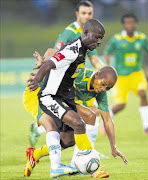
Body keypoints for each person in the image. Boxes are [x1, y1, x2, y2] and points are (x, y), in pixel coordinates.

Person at [25, 19, 128, 178]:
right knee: (79, 121)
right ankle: (72, 168)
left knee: (68, 141)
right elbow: (53, 60)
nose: (99, 41)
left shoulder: (83, 51)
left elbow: (108, 120)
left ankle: (36, 154)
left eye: (101, 38)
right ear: (86, 33)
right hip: (49, 95)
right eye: (97, 37)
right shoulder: (74, 52)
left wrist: (113, 146)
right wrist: (38, 77)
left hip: (64, 98)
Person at [30, 0, 105, 150]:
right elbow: (56, 52)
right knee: (85, 116)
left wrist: (106, 74)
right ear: (77, 14)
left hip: (76, 82)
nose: (86, 16)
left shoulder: (93, 34)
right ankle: (88, 155)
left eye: (89, 13)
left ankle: (86, 155)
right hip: (63, 83)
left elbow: (95, 59)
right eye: (83, 13)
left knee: (83, 120)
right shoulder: (70, 32)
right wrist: (44, 63)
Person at [104, 13, 148, 135]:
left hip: (137, 74)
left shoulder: (142, 38)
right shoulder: (117, 39)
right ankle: (105, 121)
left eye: (133, 22)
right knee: (120, 105)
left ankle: (147, 126)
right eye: (128, 23)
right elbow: (107, 53)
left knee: (143, 93)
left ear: (136, 24)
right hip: (121, 77)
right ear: (124, 25)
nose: (131, 25)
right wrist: (108, 69)